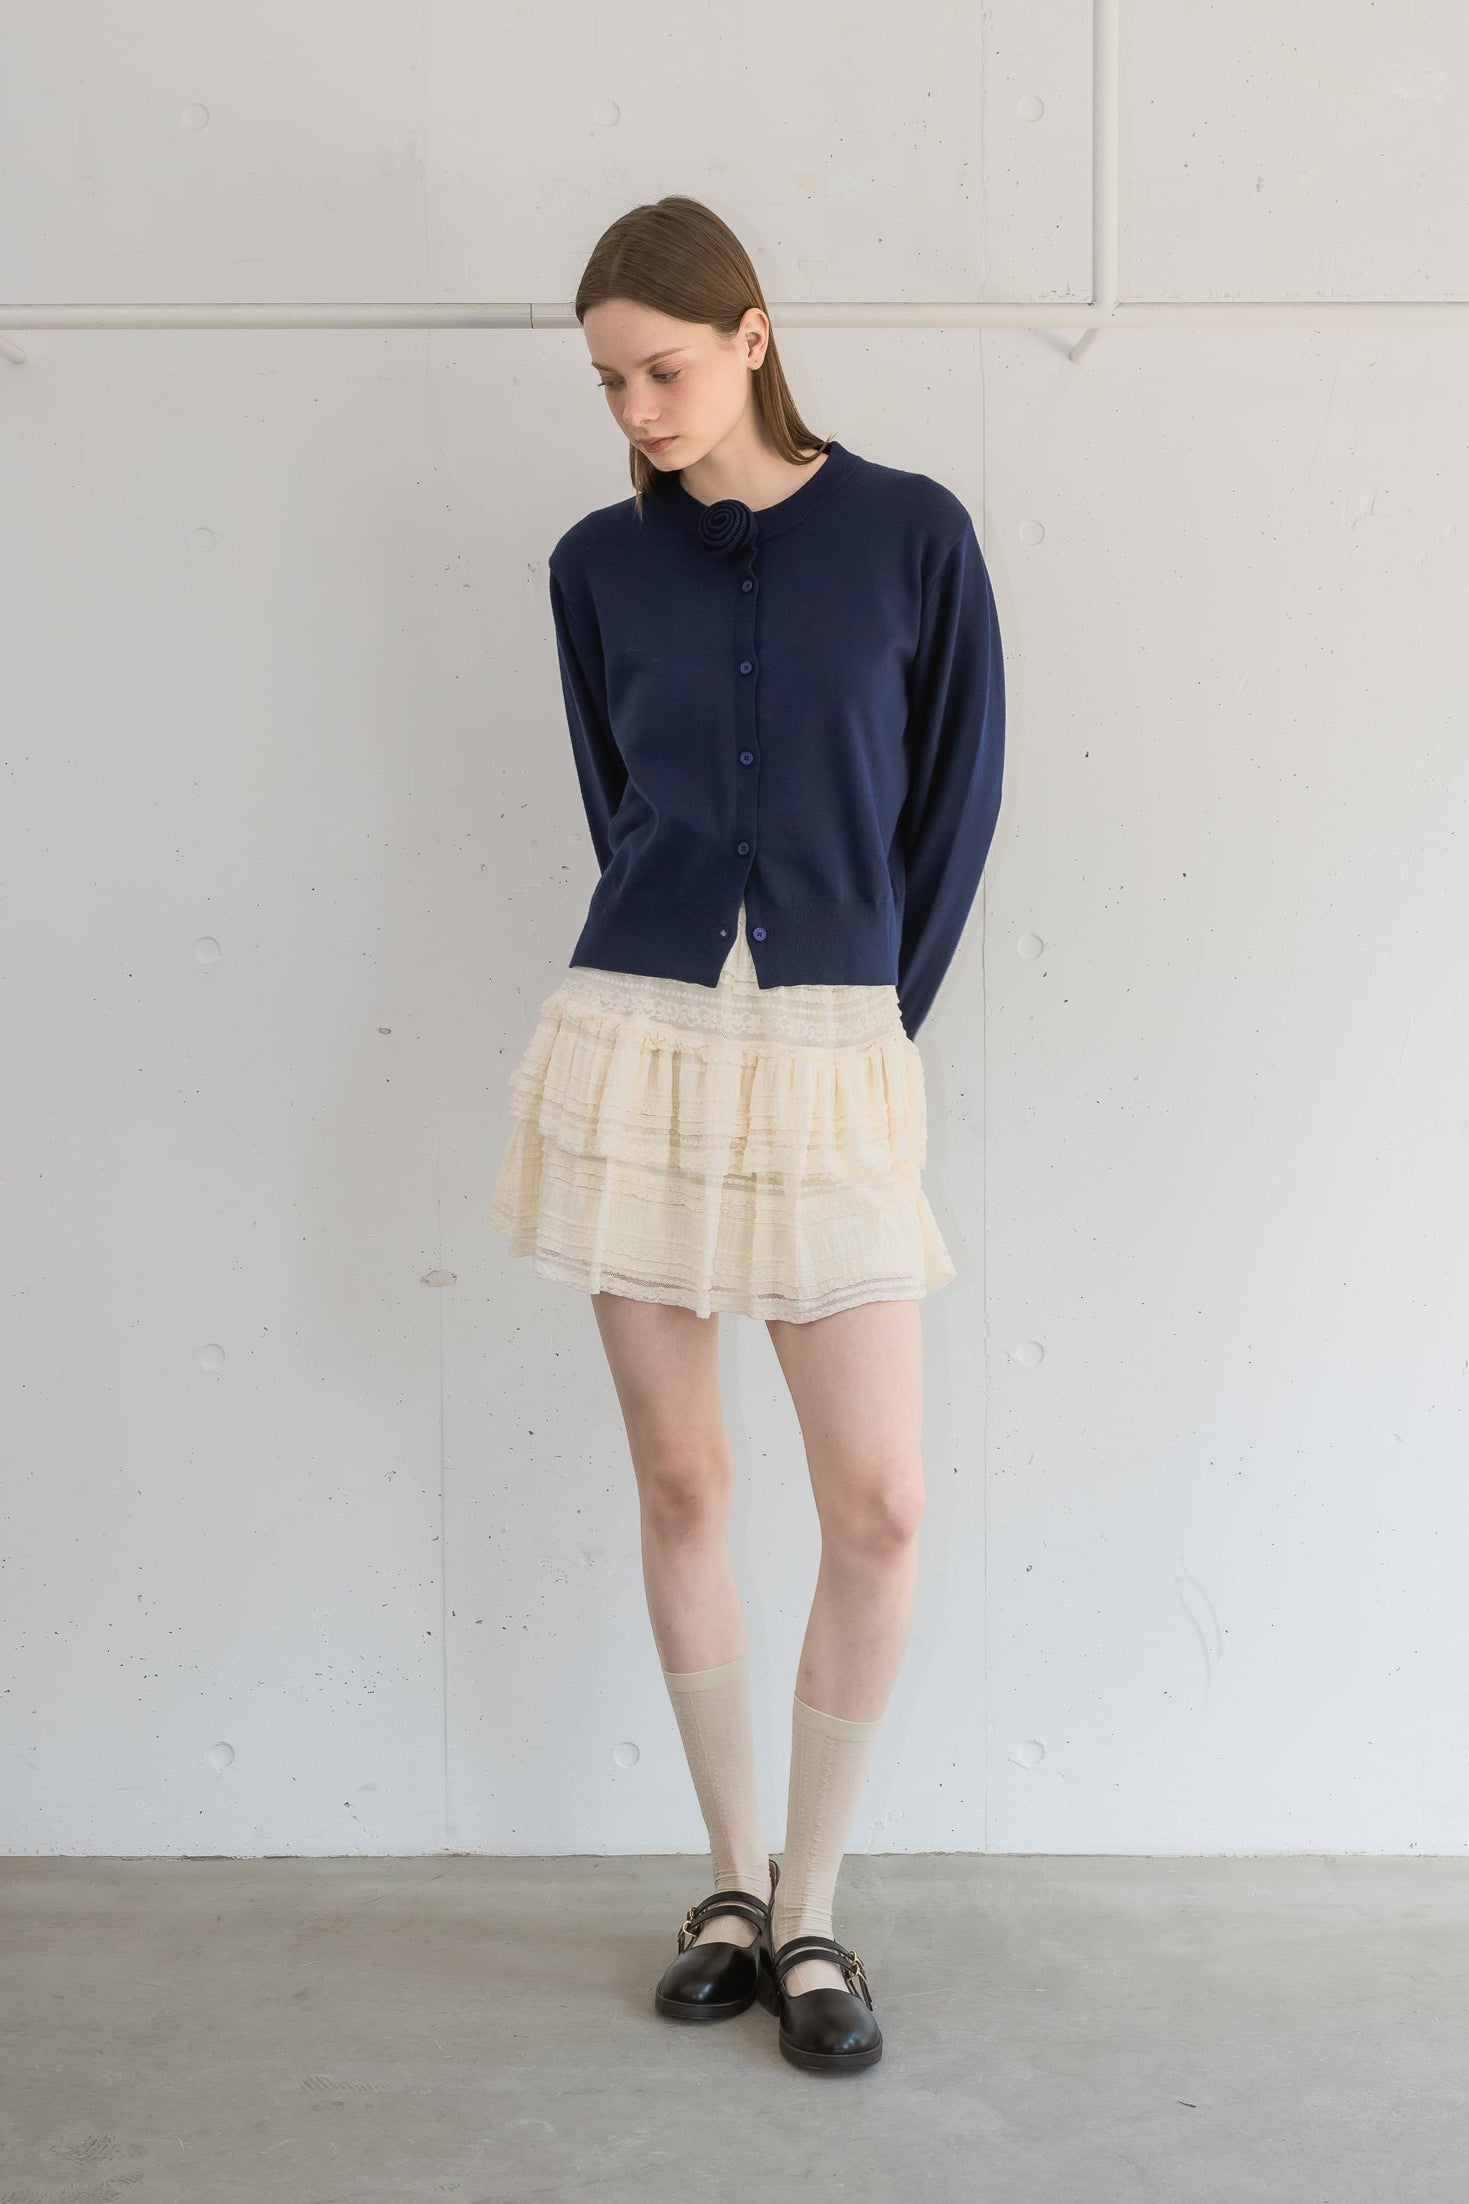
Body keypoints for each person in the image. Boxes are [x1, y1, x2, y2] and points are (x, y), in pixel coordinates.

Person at [491, 195, 1005, 2075]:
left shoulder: (913, 533)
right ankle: (725, 1882)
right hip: (633, 1042)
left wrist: (859, 1020)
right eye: (610, 384)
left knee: (880, 1504)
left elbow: (950, 812)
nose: (637, 409)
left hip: (830, 1050)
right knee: (684, 1486)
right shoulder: (593, 565)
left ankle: (813, 1908)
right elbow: (612, 798)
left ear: (754, 336)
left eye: (664, 369)